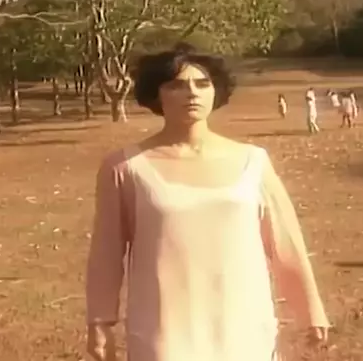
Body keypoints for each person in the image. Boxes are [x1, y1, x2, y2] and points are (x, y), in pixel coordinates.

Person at [85, 43, 330, 361]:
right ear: (156, 94)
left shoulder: (253, 161)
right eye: (176, 85)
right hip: (163, 328)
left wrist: (310, 309)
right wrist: (100, 321)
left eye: (202, 84)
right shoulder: (124, 167)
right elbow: (106, 253)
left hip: (243, 323)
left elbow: (285, 241)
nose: (192, 93)